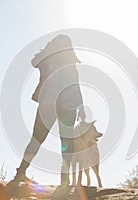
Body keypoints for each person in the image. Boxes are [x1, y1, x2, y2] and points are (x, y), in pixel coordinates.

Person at [13, 35, 86, 186]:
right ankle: (62, 180)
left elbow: (75, 85)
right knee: (62, 142)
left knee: (42, 139)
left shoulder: (61, 62)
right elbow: (34, 62)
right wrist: (80, 106)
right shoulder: (57, 61)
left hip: (55, 105)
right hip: (62, 105)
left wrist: (81, 106)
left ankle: (22, 172)